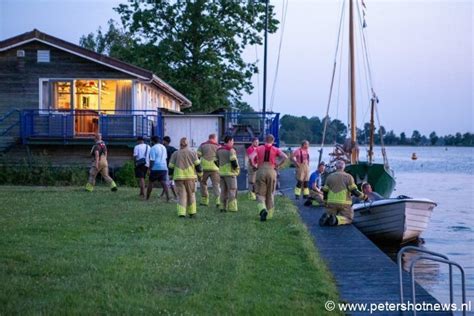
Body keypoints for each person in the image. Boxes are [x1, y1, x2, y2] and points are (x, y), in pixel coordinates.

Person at [320, 160, 367, 226]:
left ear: (335, 167)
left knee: (331, 214)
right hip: (344, 204)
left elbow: (325, 191)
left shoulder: (329, 177)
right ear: (344, 167)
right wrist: (364, 197)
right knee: (348, 218)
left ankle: (329, 216)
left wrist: (325, 201)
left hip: (331, 203)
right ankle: (336, 219)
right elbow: (354, 191)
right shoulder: (348, 177)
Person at [254, 134, 289, 221]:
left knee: (260, 193)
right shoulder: (275, 149)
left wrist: (254, 165)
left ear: (264, 140)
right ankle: (269, 214)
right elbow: (285, 157)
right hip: (271, 170)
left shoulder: (259, 148)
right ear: (273, 141)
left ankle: (262, 209)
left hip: (261, 170)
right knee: (270, 192)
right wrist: (278, 165)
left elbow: (251, 157)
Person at [168, 137, 203, 218]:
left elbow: (170, 167)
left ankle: (181, 213)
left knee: (181, 195)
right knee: (191, 195)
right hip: (190, 177)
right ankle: (192, 212)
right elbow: (198, 166)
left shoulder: (175, 153)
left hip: (179, 178)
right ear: (188, 144)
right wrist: (200, 176)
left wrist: (170, 177)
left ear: (180, 144)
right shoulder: (193, 153)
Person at [216, 135, 240, 212]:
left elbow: (215, 161)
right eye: (232, 141)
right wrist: (236, 169)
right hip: (230, 174)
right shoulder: (231, 150)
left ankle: (223, 207)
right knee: (232, 190)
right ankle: (232, 208)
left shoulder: (218, 150)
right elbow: (233, 161)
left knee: (223, 190)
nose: (233, 143)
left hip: (222, 173)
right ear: (229, 141)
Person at [197, 134, 221, 207]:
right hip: (215, 168)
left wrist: (197, 168)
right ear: (214, 138)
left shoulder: (202, 145)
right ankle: (218, 201)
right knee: (216, 184)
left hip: (204, 168)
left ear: (209, 138)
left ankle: (205, 201)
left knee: (203, 183)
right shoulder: (218, 146)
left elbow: (197, 156)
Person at [146, 136, 169, 201]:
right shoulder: (164, 147)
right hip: (164, 167)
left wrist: (149, 169)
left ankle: (147, 198)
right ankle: (168, 198)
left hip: (155, 168)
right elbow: (165, 158)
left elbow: (152, 160)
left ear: (152, 141)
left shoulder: (153, 148)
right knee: (164, 183)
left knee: (150, 182)